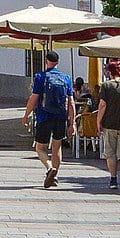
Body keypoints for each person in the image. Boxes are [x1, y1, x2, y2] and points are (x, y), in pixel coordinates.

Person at [23, 50, 76, 189]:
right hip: (61, 117)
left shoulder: (41, 76)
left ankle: (49, 168)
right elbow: (71, 102)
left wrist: (26, 114)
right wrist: (73, 123)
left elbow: (33, 99)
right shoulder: (66, 78)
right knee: (56, 147)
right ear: (58, 62)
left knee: (40, 148)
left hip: (44, 117)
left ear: (46, 61)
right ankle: (55, 176)